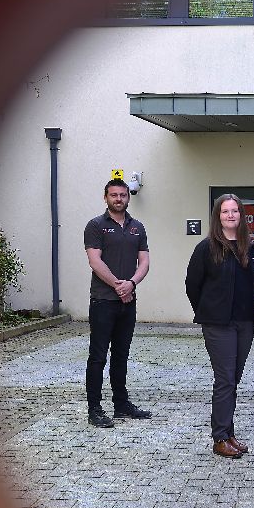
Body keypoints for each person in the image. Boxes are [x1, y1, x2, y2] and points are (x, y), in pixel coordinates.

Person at [185, 194, 254, 458]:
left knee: (233, 379)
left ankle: (228, 433)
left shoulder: (249, 247)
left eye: (235, 211)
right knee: (225, 379)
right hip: (218, 324)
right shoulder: (206, 248)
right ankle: (219, 438)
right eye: (225, 212)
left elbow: (253, 285)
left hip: (244, 323)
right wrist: (207, 312)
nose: (230, 215)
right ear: (218, 216)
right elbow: (192, 285)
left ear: (241, 215)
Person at [83, 178, 152, 428]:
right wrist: (118, 285)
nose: (118, 199)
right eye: (113, 195)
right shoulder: (95, 226)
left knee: (121, 355)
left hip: (128, 301)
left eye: (122, 195)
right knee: (98, 356)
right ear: (106, 198)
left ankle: (121, 404)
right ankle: (94, 408)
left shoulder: (138, 228)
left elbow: (144, 262)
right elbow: (95, 261)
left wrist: (131, 284)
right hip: (103, 301)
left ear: (128, 197)